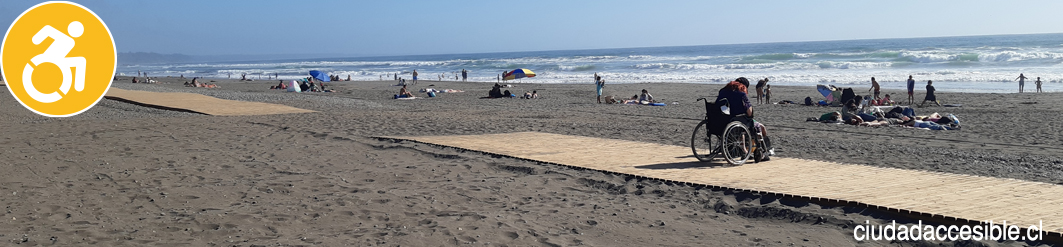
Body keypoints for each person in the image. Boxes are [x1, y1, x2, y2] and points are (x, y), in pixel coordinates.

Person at [716, 77, 773, 158]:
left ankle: (744, 150)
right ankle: (765, 150)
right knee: (761, 127)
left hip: (720, 121)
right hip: (737, 122)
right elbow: (749, 113)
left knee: (742, 127)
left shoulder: (722, 92)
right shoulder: (742, 94)